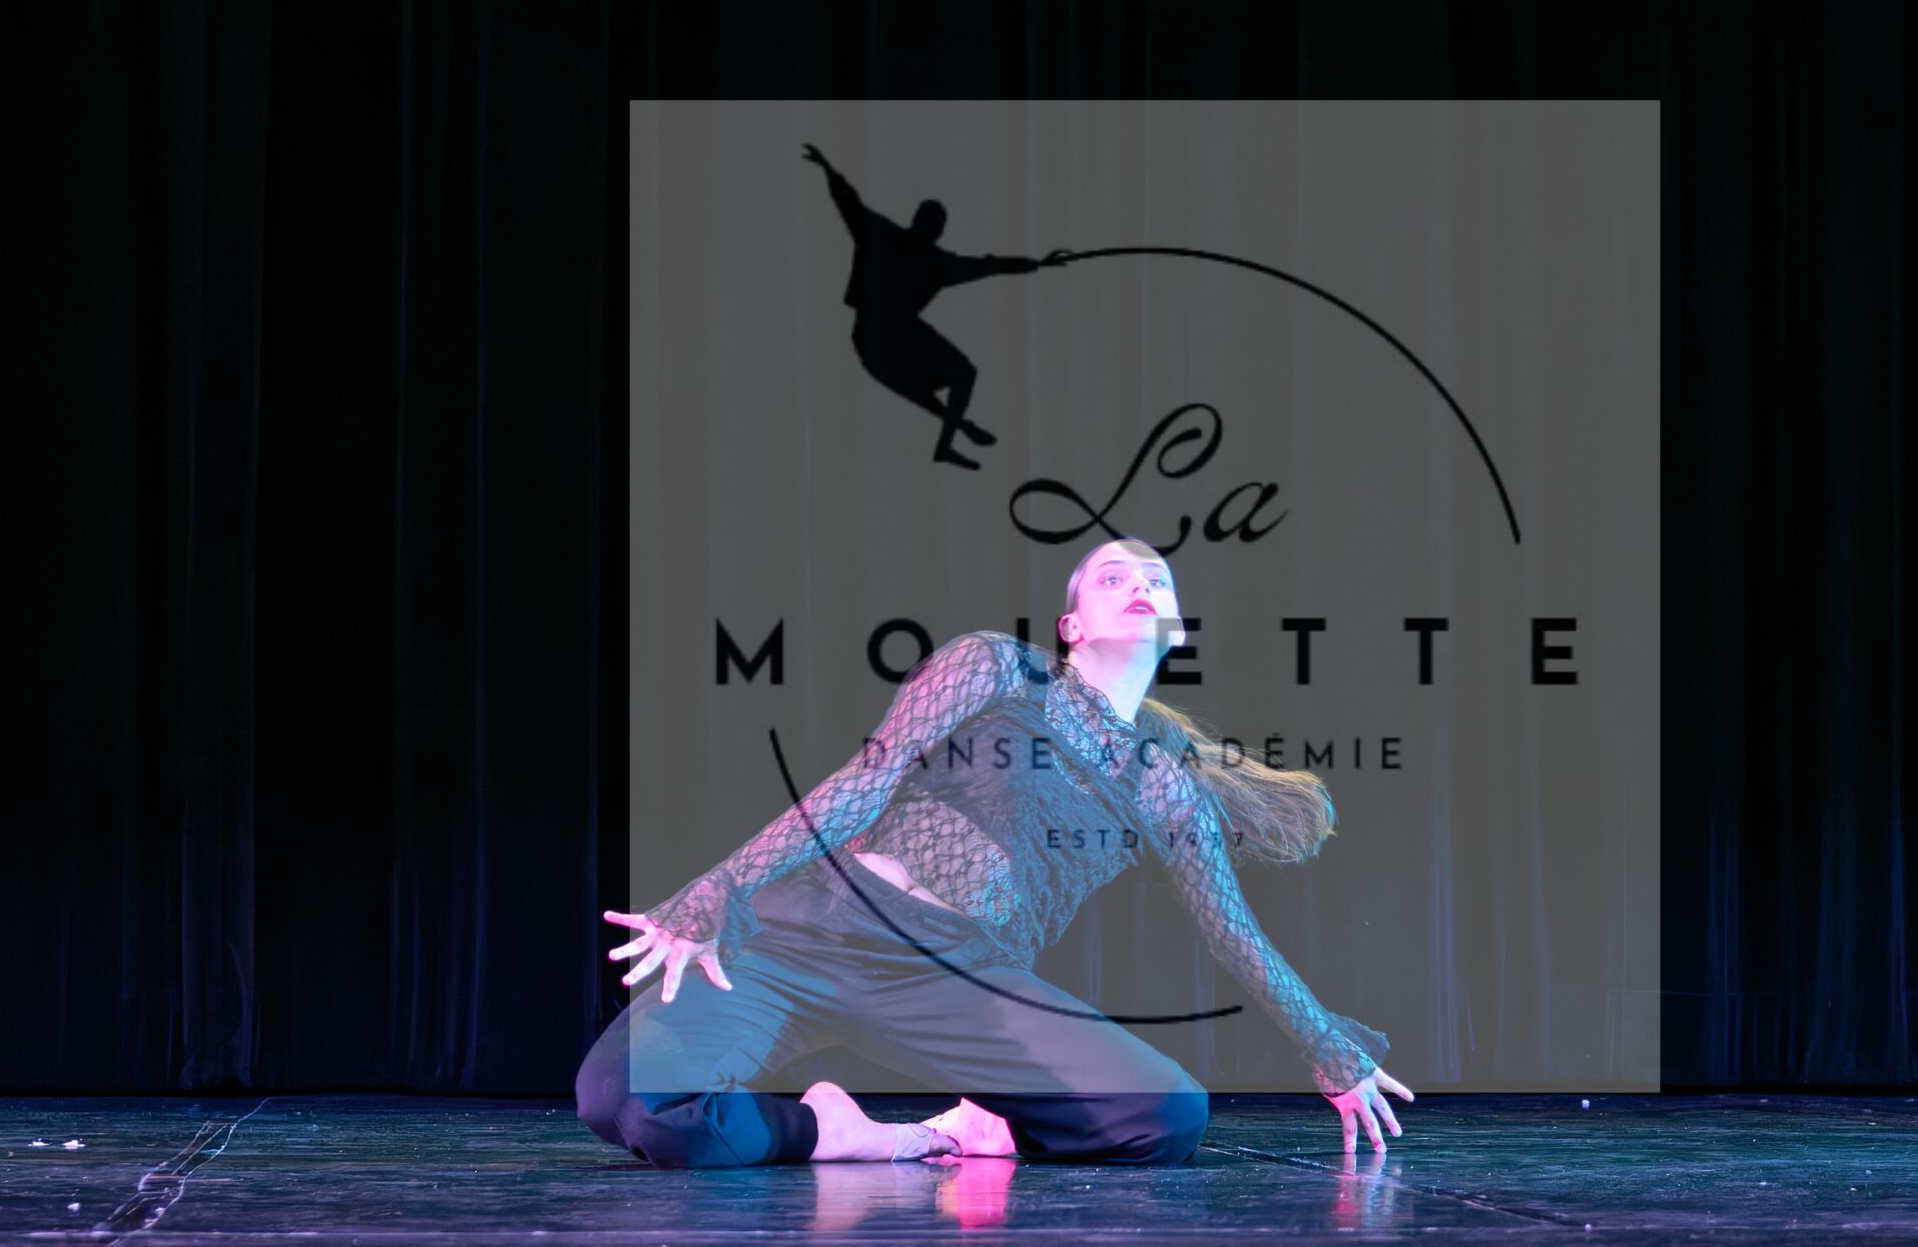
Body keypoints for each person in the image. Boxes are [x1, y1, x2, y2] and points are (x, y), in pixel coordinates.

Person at [576, 536, 1414, 1167]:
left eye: (1156, 580)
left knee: (1166, 1114)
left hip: (956, 978)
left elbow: (1232, 933)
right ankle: (840, 1132)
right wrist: (721, 886)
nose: (1138, 585)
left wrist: (1327, 1046)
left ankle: (978, 1124)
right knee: (629, 1101)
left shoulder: (1165, 786)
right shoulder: (998, 667)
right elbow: (865, 781)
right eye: (1112, 577)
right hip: (806, 932)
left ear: (1177, 628)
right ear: (1071, 625)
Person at [801, 142, 1073, 470]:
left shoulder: (903, 245)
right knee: (952, 375)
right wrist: (828, 169)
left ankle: (952, 435)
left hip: (878, 336)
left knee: (945, 377)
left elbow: (989, 265)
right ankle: (951, 435)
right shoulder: (906, 247)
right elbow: (849, 202)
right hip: (881, 335)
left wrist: (1036, 263)